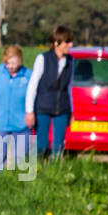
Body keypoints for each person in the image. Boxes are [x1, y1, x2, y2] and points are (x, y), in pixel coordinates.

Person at [0, 45, 32, 172]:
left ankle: (18, 188)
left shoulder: (28, 75)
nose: (11, 66)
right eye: (8, 63)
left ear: (20, 61)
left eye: (14, 63)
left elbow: (35, 97)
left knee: (20, 162)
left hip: (21, 125)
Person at [25, 25, 74, 159]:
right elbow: (32, 85)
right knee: (41, 144)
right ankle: (35, 170)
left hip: (62, 108)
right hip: (43, 107)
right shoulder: (42, 59)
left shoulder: (71, 61)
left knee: (58, 146)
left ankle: (54, 175)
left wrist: (71, 111)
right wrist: (29, 111)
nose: (71, 44)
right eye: (68, 41)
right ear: (57, 43)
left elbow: (68, 87)